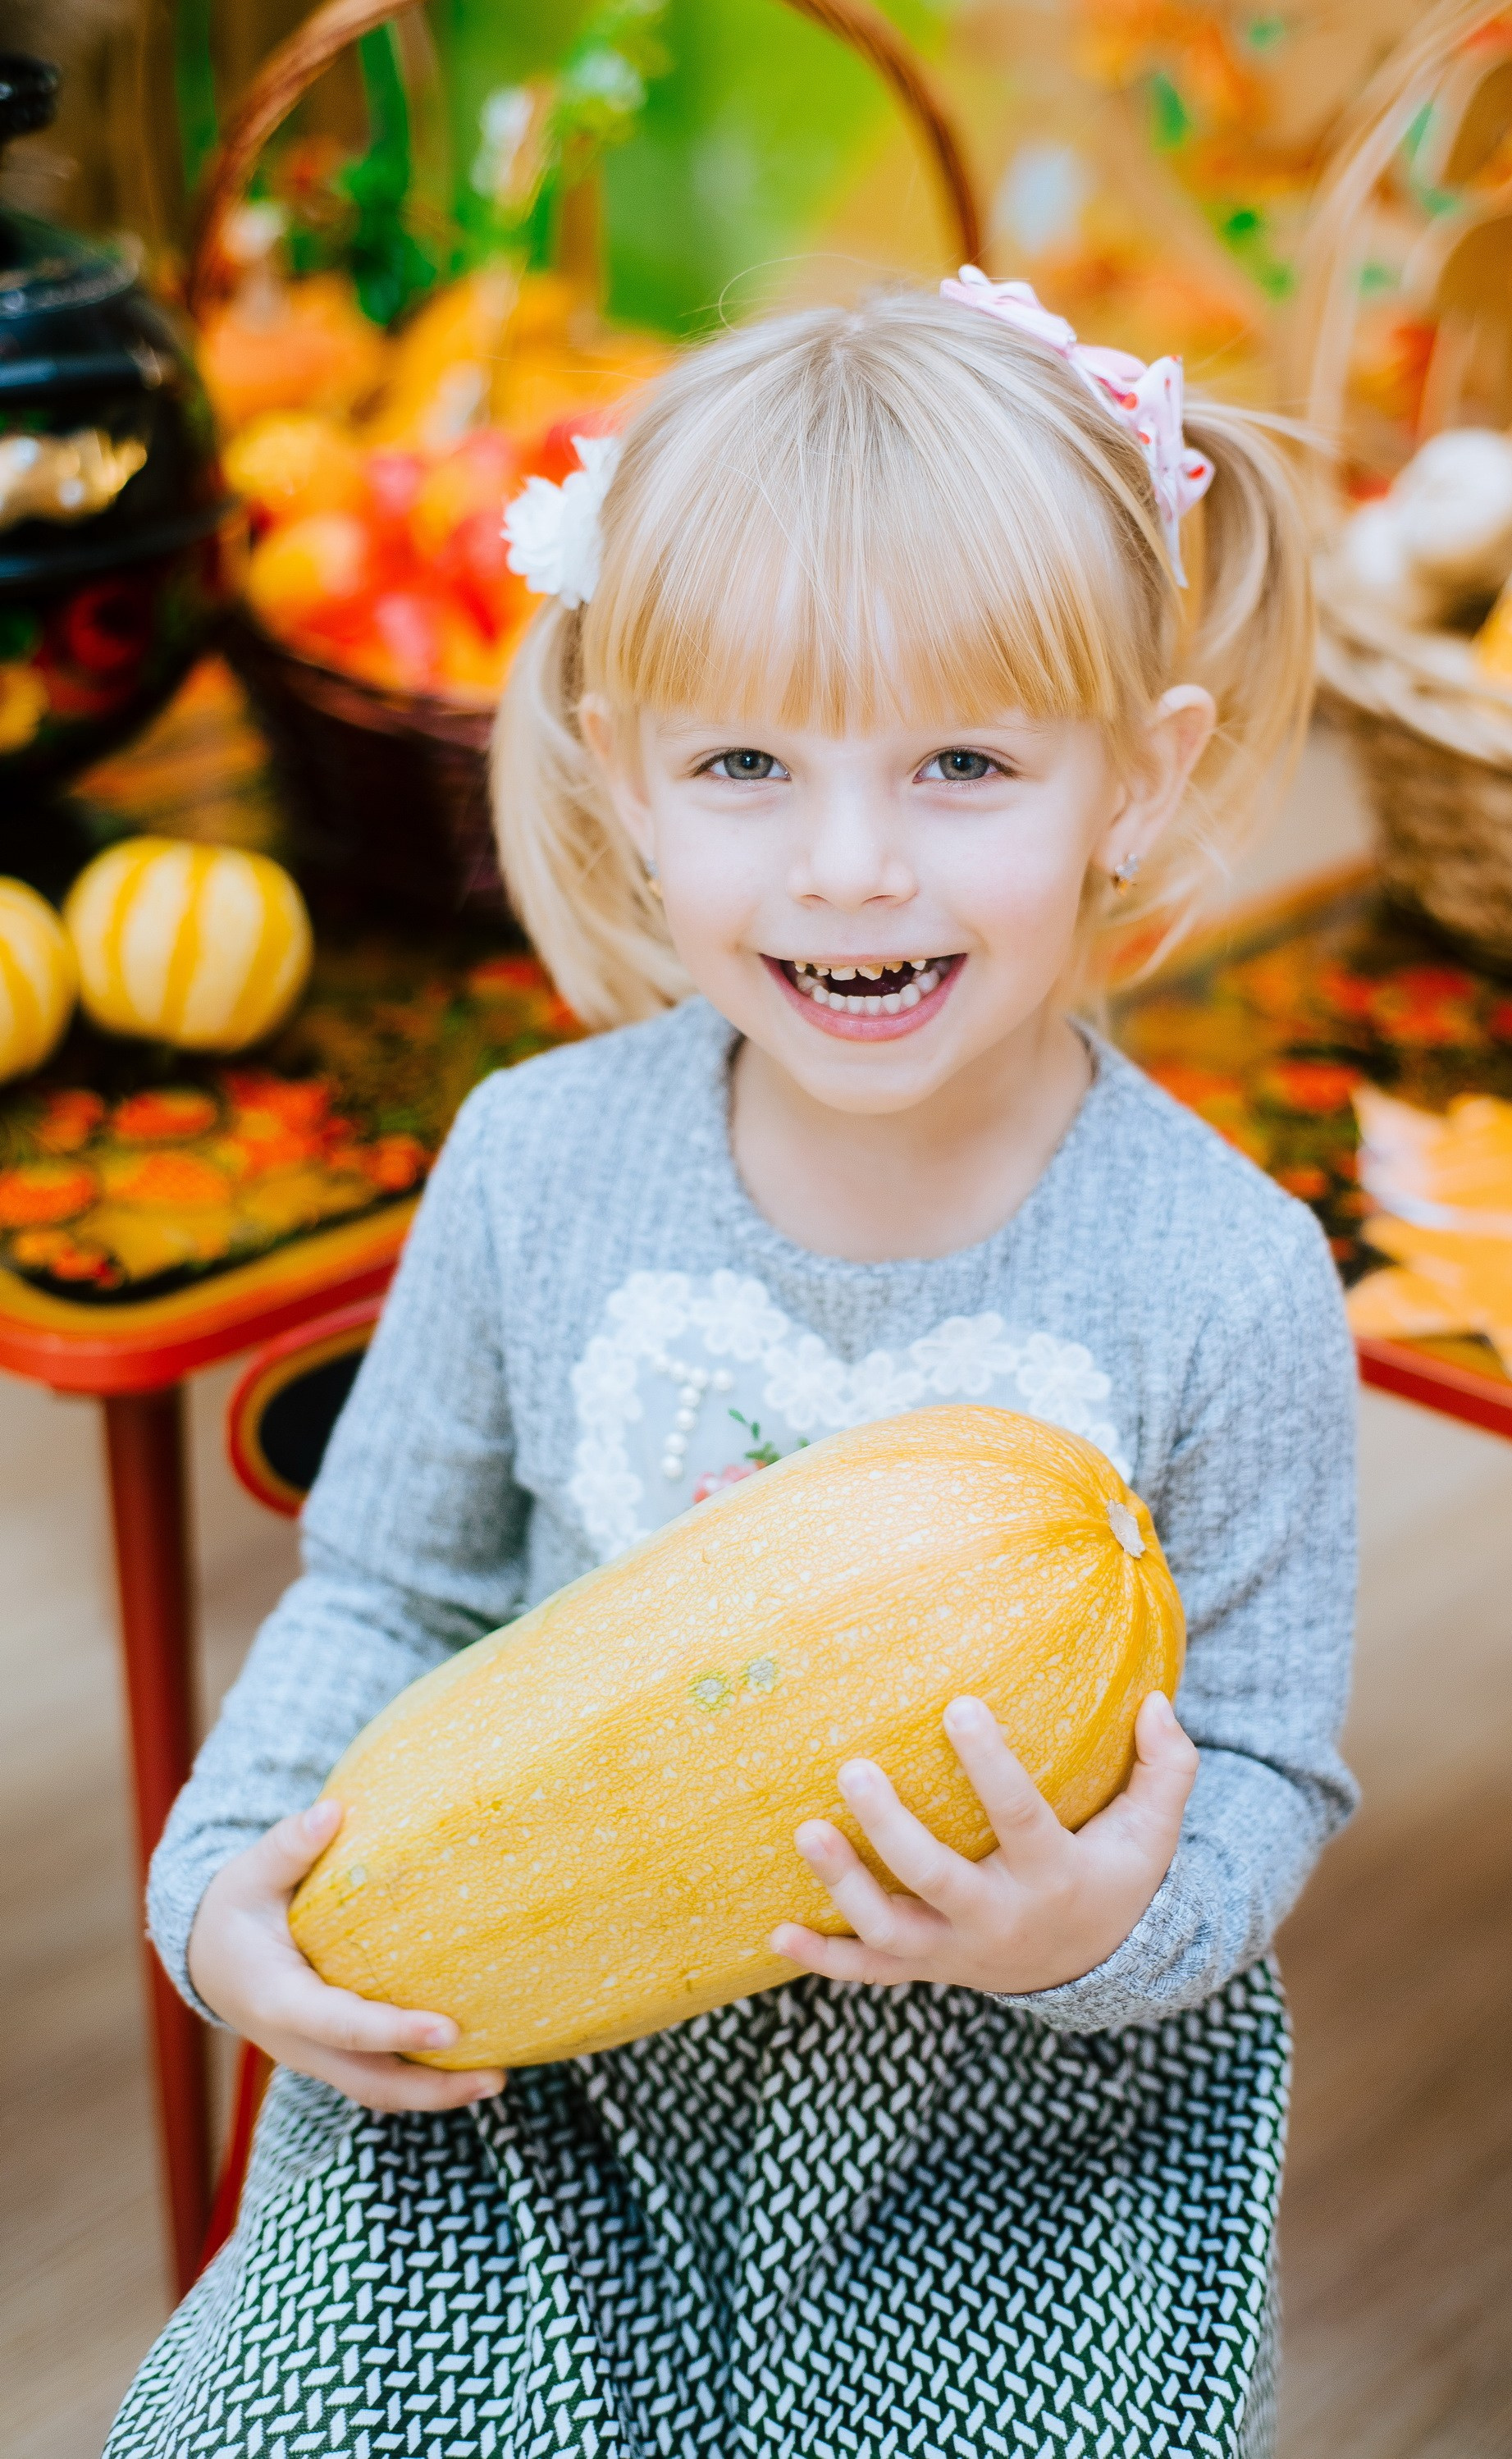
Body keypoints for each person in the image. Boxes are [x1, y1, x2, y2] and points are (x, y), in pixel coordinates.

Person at [110, 270, 1356, 2459]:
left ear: (1135, 785)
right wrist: (227, 1885)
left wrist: (1092, 1923)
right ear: (623, 780)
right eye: (749, 766)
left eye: (964, 763)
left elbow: (1263, 1767)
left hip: (1001, 2135)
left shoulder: (1227, 1279)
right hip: (540, 2066)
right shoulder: (536, 1163)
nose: (851, 863)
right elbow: (386, 1590)